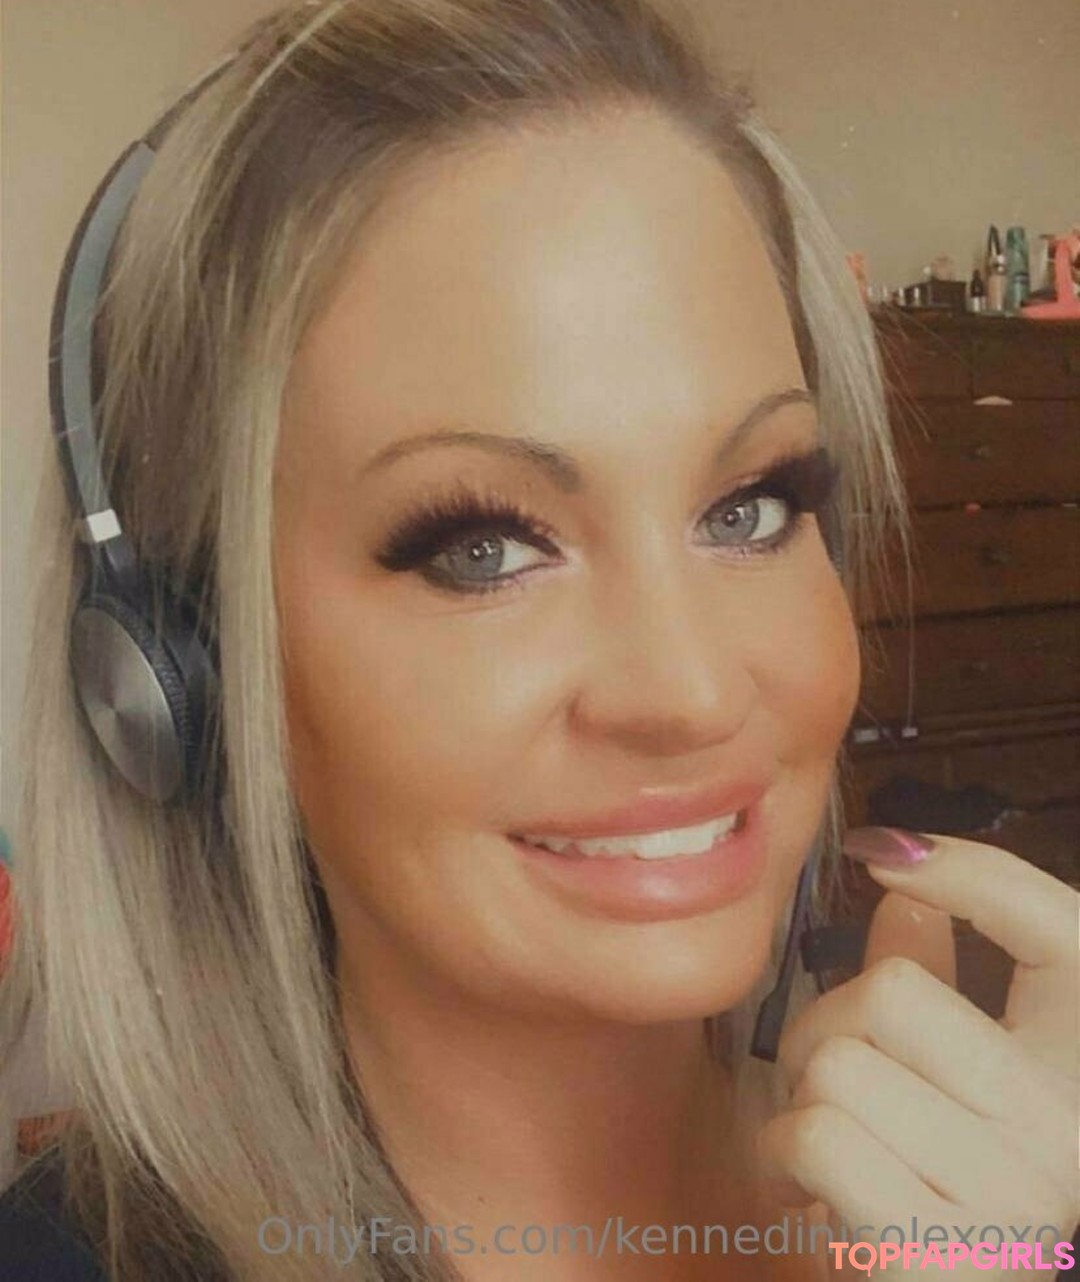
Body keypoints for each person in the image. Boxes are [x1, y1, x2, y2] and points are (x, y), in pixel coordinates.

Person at [0, 1, 1076, 1279]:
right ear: (187, 669)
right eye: (482, 547)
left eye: (749, 508)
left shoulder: (1017, 1210)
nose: (689, 690)